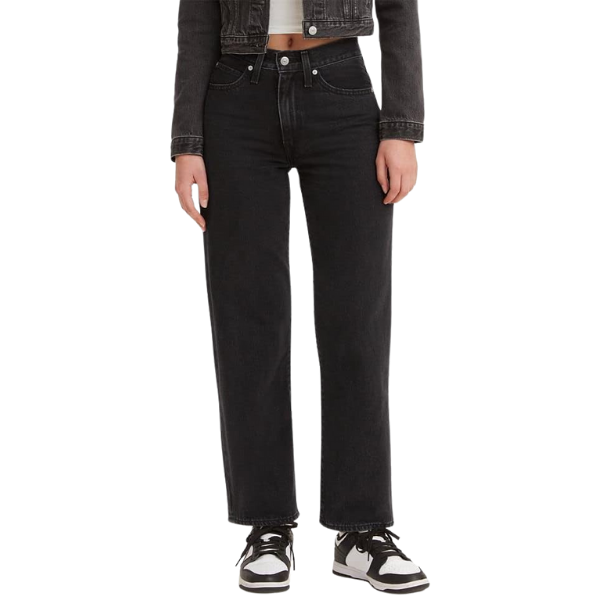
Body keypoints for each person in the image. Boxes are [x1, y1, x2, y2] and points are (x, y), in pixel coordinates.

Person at [170, 0, 429, 594]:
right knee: (248, 319)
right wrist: (187, 140)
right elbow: (197, 14)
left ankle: (362, 531)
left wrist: (401, 127)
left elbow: (398, 9)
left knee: (356, 319)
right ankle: (266, 526)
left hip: (341, 91)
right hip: (235, 97)